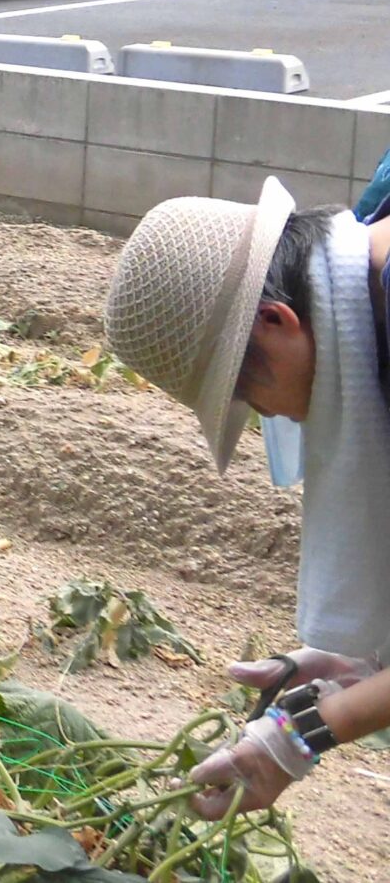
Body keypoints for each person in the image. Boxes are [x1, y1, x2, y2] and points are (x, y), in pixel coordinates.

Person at [103, 177, 390, 819]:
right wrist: (360, 660)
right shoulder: (367, 248)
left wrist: (301, 736)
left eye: (251, 401)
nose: (267, 417)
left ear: (276, 319)